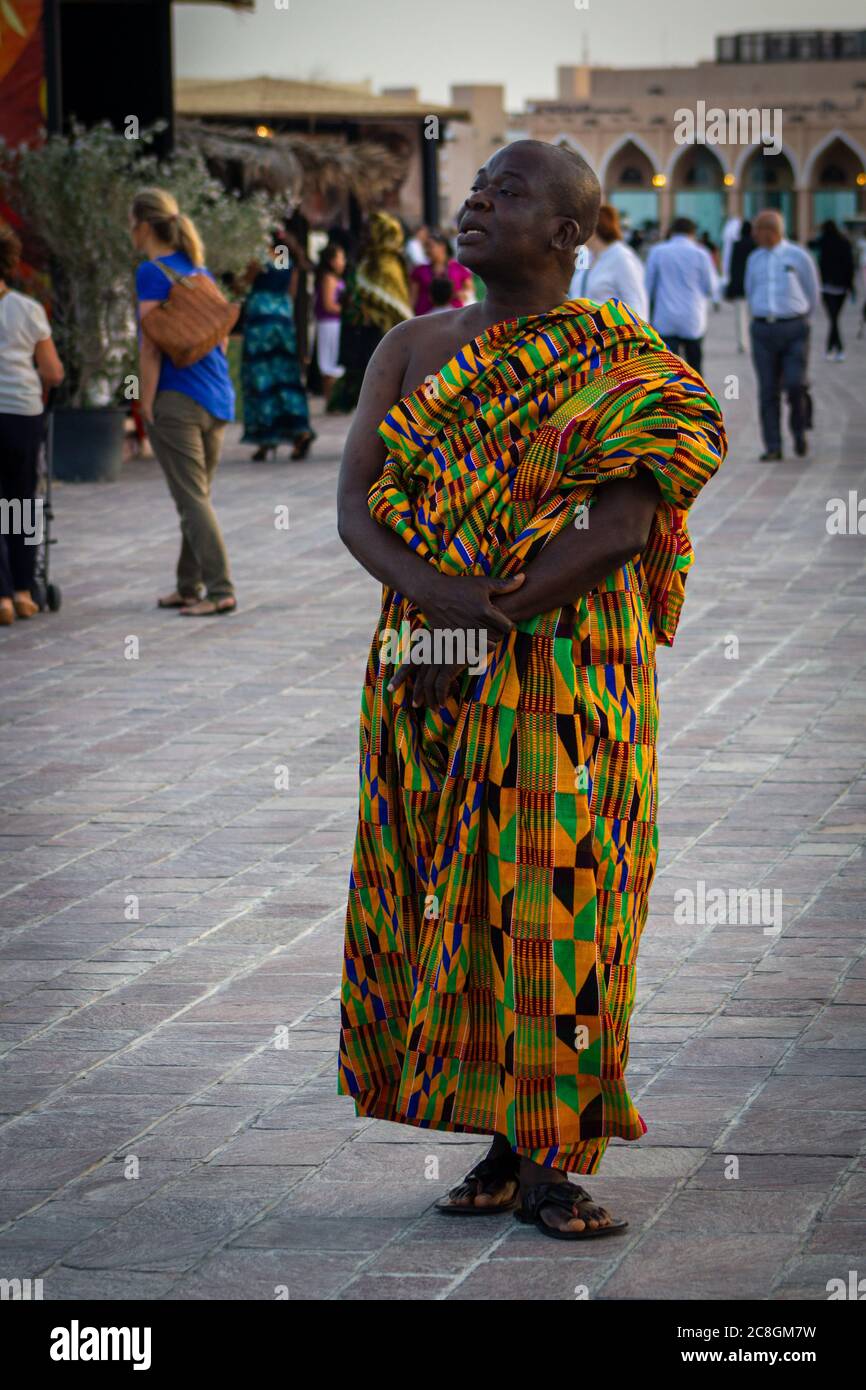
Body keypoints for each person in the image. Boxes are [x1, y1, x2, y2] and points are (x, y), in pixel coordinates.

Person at [336, 139, 726, 1239]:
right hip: (426, 672)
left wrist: (478, 614)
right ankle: (502, 1144)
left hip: (566, 674)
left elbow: (625, 526)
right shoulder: (408, 348)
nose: (472, 206)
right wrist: (431, 595)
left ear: (565, 232)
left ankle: (554, 1160)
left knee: (560, 904)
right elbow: (355, 504)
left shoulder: (623, 359)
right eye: (472, 189)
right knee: (454, 902)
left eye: (504, 193)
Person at [132, 188, 237, 616]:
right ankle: (188, 584)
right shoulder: (199, 268)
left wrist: (145, 402)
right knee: (196, 496)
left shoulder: (150, 272)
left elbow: (150, 347)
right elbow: (222, 339)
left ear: (142, 226)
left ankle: (220, 590)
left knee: (192, 499)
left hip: (177, 398)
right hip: (218, 396)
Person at [0, 220, 64, 627]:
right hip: (23, 415)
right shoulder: (28, 309)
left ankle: (2, 596)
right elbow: (53, 371)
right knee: (20, 502)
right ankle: (24, 590)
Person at [744, 208, 820, 461]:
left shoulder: (798, 256)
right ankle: (773, 446)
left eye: (758, 230)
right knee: (768, 390)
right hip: (763, 329)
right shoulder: (754, 258)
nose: (753, 235)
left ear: (771, 231)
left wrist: (804, 321)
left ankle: (799, 431)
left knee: (795, 384)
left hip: (794, 328)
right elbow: (750, 289)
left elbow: (812, 291)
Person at [327, 212, 413, 414]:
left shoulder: (388, 264)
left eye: (370, 231)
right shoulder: (365, 260)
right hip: (357, 329)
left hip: (378, 331)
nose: (365, 236)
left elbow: (395, 304)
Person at [240, 239, 315, 462]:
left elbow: (243, 285)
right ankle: (300, 431)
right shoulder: (287, 260)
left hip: (260, 322)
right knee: (286, 376)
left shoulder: (258, 258)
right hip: (282, 319)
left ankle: (266, 437)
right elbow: (291, 293)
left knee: (260, 377)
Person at [645, 217, 717, 373]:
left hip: (665, 318)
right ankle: (697, 396)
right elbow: (711, 287)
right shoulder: (701, 253)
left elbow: (648, 287)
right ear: (693, 233)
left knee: (669, 371)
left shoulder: (658, 252)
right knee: (695, 369)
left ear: (672, 231)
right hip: (693, 320)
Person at [570, 203, 648, 319]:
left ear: (593, 230)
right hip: (584, 332)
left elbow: (637, 303)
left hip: (611, 334)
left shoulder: (622, 257)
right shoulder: (586, 255)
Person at [815, 220, 855, 362]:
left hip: (827, 286)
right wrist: (851, 286)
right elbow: (850, 265)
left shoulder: (824, 242)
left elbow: (810, 243)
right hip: (842, 287)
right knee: (834, 318)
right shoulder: (845, 243)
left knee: (833, 319)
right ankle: (836, 349)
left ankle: (833, 348)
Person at [313, 242, 347, 405]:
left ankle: (333, 401)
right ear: (332, 261)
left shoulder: (334, 278)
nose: (343, 262)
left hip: (335, 324)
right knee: (329, 363)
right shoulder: (328, 278)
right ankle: (331, 400)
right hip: (329, 324)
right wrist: (348, 310)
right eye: (341, 258)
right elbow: (328, 304)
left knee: (333, 362)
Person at [409, 230, 473, 314]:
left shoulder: (458, 268)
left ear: (442, 247)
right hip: (425, 317)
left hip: (453, 316)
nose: (427, 250)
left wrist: (458, 294)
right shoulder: (419, 270)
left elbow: (469, 291)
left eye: (430, 246)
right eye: (425, 247)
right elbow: (413, 297)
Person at [725, 219, 755, 354]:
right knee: (753, 314)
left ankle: (742, 343)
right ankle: (753, 340)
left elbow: (733, 265)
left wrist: (731, 284)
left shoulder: (737, 244)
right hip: (754, 285)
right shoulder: (756, 245)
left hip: (739, 284)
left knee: (740, 316)